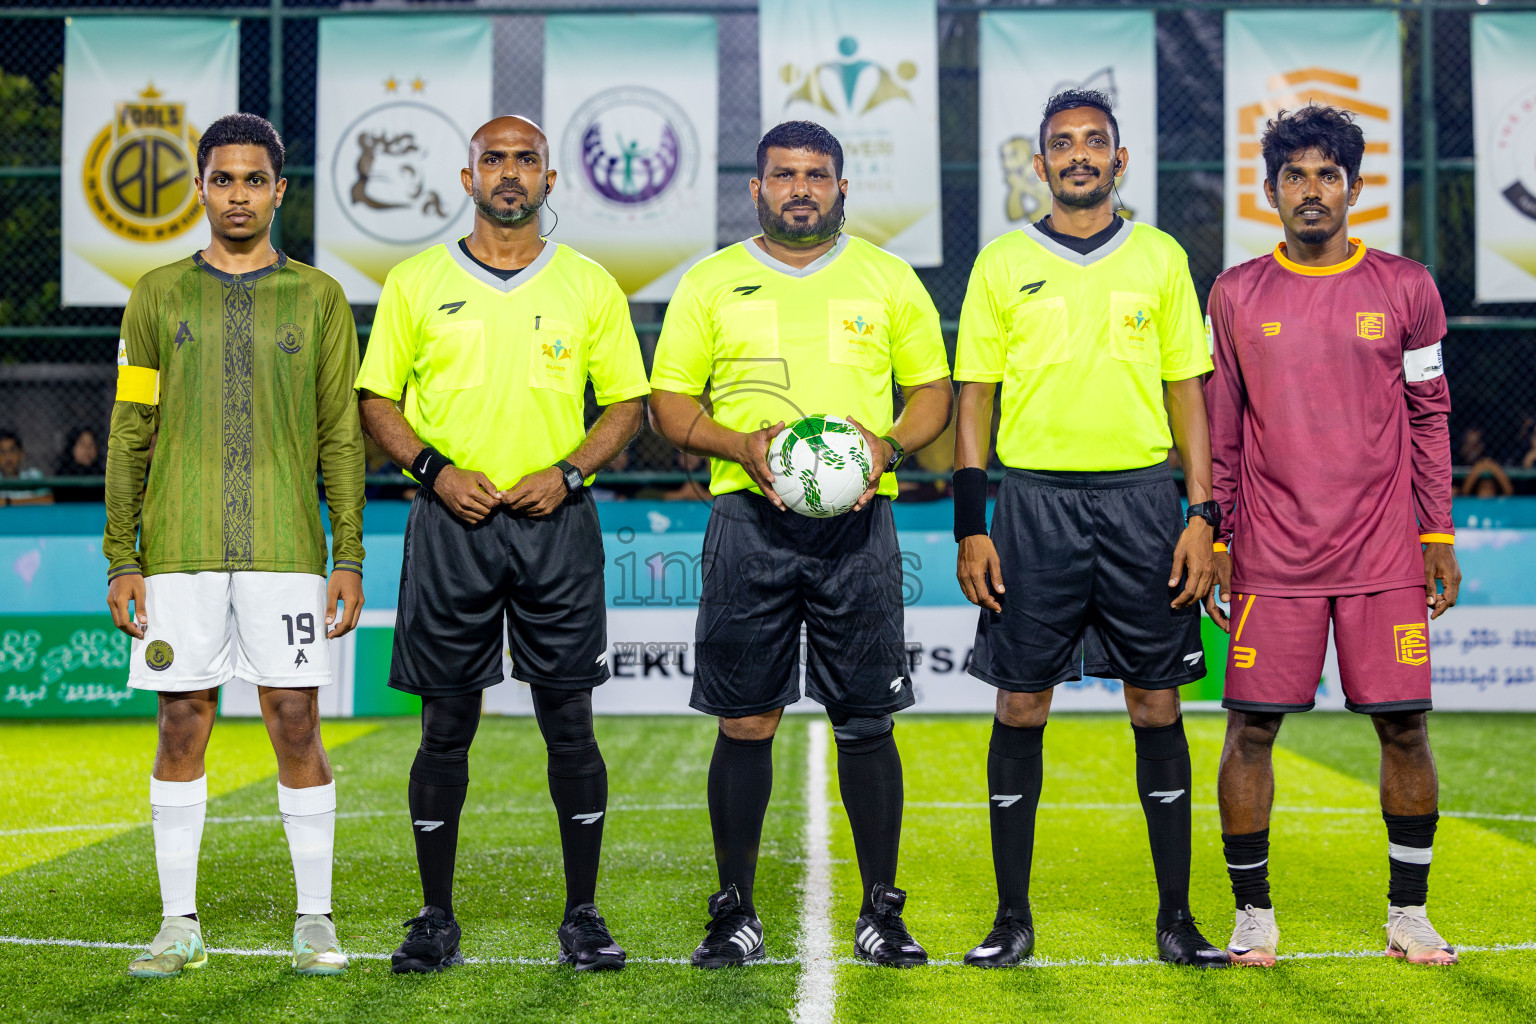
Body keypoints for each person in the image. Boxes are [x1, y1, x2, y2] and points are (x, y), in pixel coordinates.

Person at [649, 120, 953, 968]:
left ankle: (882, 911)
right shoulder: (712, 281)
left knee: (865, 718)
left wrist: (887, 445)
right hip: (750, 522)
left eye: (817, 175)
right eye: (784, 175)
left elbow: (933, 392)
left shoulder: (887, 277)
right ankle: (734, 911)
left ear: (842, 187)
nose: (800, 189)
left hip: (859, 526)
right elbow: (670, 405)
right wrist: (739, 443)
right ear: (757, 188)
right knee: (746, 720)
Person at [356, 115, 648, 974]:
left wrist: (571, 471)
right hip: (453, 522)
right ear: (468, 176)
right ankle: (434, 916)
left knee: (570, 722)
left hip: (556, 520)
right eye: (494, 159)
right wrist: (433, 470)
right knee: (445, 724)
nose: (510, 172)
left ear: (550, 179)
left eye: (526, 160)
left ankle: (583, 915)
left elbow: (626, 404)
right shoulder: (415, 281)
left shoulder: (589, 284)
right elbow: (377, 400)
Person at [952, 89, 1225, 969]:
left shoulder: (1161, 256)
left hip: (1144, 504)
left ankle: (1177, 919)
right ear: (1039, 165)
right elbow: (974, 397)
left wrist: (1204, 515)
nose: (1079, 155)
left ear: (1120, 159)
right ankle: (1011, 919)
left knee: (1156, 702)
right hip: (1032, 505)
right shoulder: (1002, 261)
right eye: (1063, 144)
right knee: (1019, 702)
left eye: (1095, 141)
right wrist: (970, 522)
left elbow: (1188, 392)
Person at [104, 113, 364, 979]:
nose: (239, 195)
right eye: (224, 179)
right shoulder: (156, 296)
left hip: (287, 548)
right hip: (178, 546)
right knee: (182, 720)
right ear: (200, 189)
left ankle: (315, 919)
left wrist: (349, 555)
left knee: (296, 719)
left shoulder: (319, 298)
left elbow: (340, 434)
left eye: (255, 180)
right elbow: (129, 429)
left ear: (279, 191)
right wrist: (123, 556)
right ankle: (177, 924)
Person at [1204, 105, 1461, 967]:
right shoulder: (1236, 293)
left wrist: (1437, 531)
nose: (1311, 190)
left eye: (1327, 175)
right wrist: (1219, 537)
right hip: (1272, 555)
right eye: (1295, 177)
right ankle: (1253, 915)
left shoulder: (1407, 287)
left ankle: (1409, 914)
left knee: (1404, 731)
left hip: (1383, 553)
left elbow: (1430, 417)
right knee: (1250, 732)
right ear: (1270, 190)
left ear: (1354, 187)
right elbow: (1223, 429)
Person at [0, 430, 54, 506]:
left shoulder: (34, 475)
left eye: (12, 450)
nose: (8, 457)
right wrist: (31, 500)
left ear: (21, 454)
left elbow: (48, 500)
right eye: (2, 452)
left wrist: (9, 502)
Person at [53, 426, 106, 502]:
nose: (87, 448)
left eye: (91, 444)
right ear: (72, 447)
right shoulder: (62, 474)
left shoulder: (101, 474)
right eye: (82, 443)